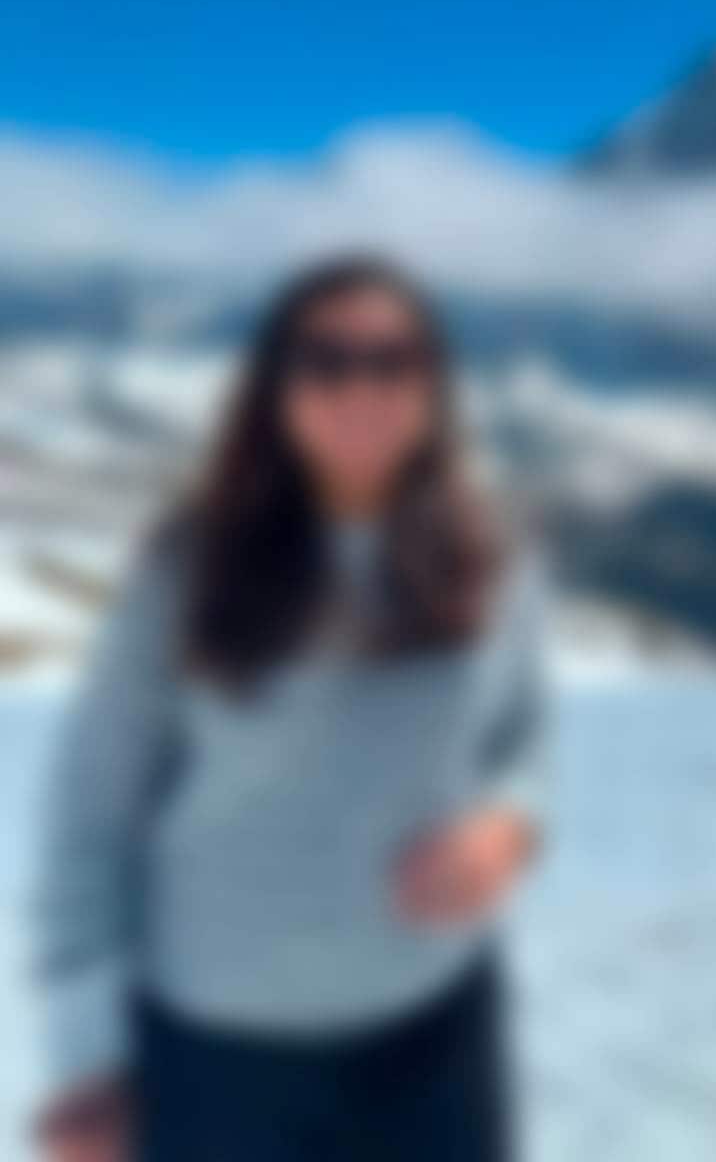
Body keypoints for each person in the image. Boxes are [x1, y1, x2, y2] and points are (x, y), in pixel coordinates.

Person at [34, 253, 549, 1162]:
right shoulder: (188, 568)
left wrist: (506, 824)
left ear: (433, 384)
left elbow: (520, 734)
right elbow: (93, 811)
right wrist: (87, 1058)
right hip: (215, 1056)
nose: (362, 388)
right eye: (326, 362)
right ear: (274, 386)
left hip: (434, 1036)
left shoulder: (487, 552)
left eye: (393, 361)